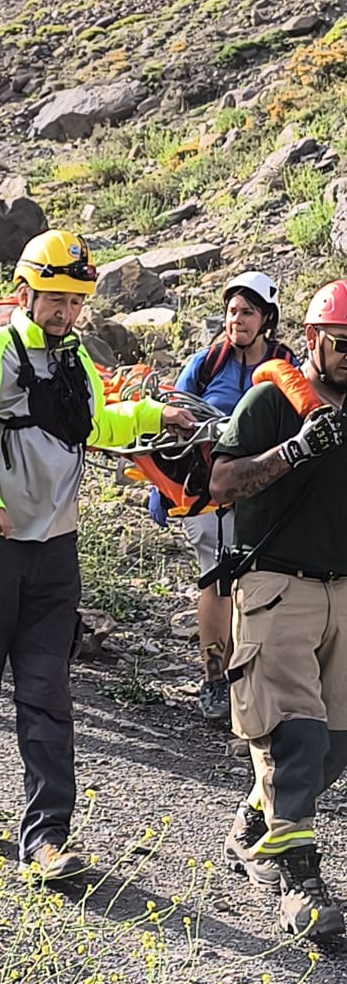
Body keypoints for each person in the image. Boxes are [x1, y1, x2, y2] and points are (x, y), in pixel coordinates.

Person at [0, 230, 194, 880]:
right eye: (55, 298)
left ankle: (45, 842)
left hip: (54, 556)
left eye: (76, 300)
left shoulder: (74, 361)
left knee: (48, 693)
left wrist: (157, 416)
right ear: (25, 292)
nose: (66, 312)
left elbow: (95, 425)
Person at [210, 280, 347, 938]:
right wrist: (296, 448)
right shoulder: (271, 400)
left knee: (334, 749)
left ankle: (254, 825)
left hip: (343, 592)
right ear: (314, 337)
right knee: (296, 735)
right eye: (343, 345)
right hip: (277, 584)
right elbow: (223, 484)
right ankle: (299, 882)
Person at [151, 271, 295, 722]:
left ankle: (253, 674)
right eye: (232, 311)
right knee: (216, 579)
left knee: (262, 582)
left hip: (266, 492)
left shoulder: (286, 365)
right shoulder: (207, 363)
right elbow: (170, 420)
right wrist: (162, 488)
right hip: (208, 490)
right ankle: (216, 676)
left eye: (247, 312)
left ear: (267, 318)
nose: (238, 320)